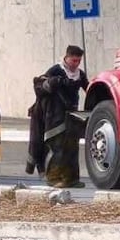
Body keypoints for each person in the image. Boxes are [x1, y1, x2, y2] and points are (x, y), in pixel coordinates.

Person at [36, 45, 88, 188]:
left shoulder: (80, 74)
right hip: (55, 116)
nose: (76, 64)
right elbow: (40, 87)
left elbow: (87, 88)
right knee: (57, 148)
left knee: (72, 148)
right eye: (74, 60)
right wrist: (54, 82)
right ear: (67, 57)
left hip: (72, 116)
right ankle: (53, 178)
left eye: (78, 61)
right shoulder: (55, 70)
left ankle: (71, 179)